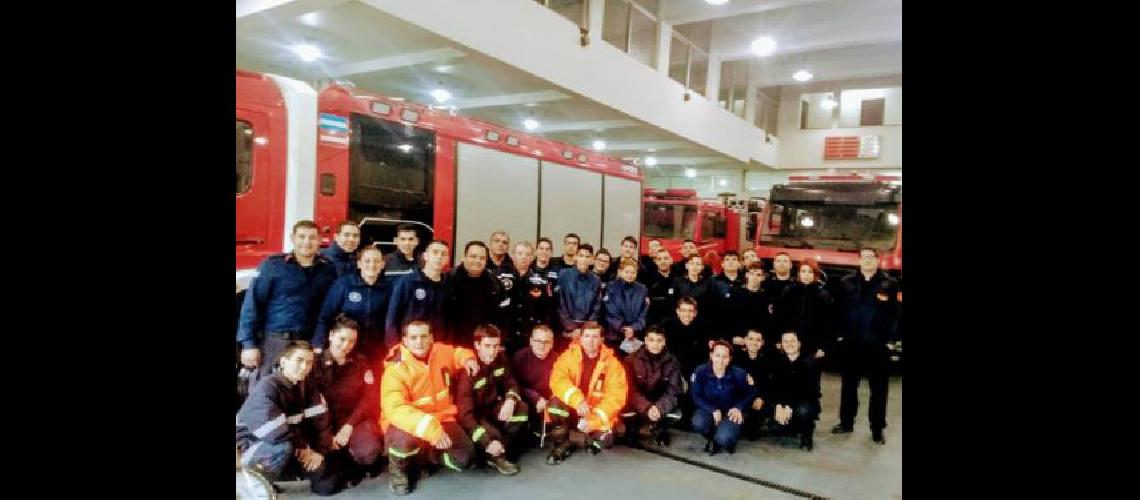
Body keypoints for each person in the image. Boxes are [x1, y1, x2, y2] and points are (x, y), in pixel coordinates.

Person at [380, 321, 481, 495]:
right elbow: (395, 408)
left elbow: (458, 353)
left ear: (431, 338)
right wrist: (429, 428)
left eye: (423, 336)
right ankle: (399, 472)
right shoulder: (396, 367)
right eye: (413, 337)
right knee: (403, 443)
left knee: (466, 458)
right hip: (406, 424)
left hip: (441, 418)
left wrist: (469, 359)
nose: (419, 342)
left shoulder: (440, 351)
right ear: (405, 340)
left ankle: (428, 457)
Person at [237, 341, 344, 496]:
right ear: (284, 362)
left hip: (291, 442)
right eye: (299, 361)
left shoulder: (306, 385)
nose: (304, 367)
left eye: (308, 363)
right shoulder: (267, 387)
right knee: (282, 448)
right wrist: (303, 448)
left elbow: (321, 423)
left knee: (326, 485)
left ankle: (275, 476)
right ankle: (248, 484)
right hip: (252, 444)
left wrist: (319, 452)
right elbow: (274, 432)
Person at [238, 220, 338, 382]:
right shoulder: (272, 266)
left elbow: (328, 309)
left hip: (308, 342)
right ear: (293, 238)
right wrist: (249, 344)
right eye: (302, 237)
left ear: (320, 241)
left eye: (312, 237)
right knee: (267, 390)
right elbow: (252, 305)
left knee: (302, 392)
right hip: (275, 342)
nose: (307, 242)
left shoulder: (328, 269)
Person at [831, 248, 900, 445]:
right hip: (852, 343)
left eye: (872, 257)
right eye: (864, 257)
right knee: (849, 386)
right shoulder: (847, 282)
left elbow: (896, 314)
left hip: (878, 344)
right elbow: (839, 311)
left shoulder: (890, 284)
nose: (868, 260)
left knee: (878, 389)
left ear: (878, 261)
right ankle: (846, 422)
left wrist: (891, 339)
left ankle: (877, 428)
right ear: (859, 260)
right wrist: (840, 336)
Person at [308, 316, 384, 482]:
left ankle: (353, 460)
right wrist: (327, 435)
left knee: (368, 452)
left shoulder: (361, 363)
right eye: (341, 339)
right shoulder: (314, 364)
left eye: (351, 341)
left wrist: (349, 425)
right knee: (325, 483)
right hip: (323, 425)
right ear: (330, 336)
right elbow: (312, 404)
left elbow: (368, 398)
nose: (346, 346)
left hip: (353, 421)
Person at [545, 322, 628, 465]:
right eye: (587, 336)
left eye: (595, 336)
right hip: (571, 409)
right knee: (554, 405)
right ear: (580, 338)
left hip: (593, 414)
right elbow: (557, 381)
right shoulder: (568, 357)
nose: (590, 341)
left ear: (602, 339)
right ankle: (563, 444)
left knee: (606, 441)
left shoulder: (613, 364)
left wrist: (593, 421)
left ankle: (576, 438)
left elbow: (616, 397)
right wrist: (576, 400)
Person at [455, 325, 528, 475]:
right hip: (474, 417)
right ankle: (495, 455)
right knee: (490, 436)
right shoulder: (468, 371)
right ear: (477, 345)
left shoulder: (500, 359)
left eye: (495, 346)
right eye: (487, 346)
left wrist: (510, 400)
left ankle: (499, 446)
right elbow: (464, 416)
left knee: (522, 408)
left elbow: (511, 383)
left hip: (493, 409)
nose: (492, 351)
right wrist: (486, 441)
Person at [313, 246, 393, 364]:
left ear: (382, 264)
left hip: (376, 350)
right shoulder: (344, 285)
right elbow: (325, 317)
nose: (372, 265)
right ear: (359, 264)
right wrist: (318, 344)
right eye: (367, 261)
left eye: (376, 261)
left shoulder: (390, 288)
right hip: (347, 347)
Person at [690, 341, 756, 455]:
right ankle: (712, 435)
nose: (720, 360)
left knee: (723, 439)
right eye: (717, 355)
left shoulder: (739, 374)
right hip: (710, 409)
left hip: (731, 411)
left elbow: (751, 393)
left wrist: (738, 407)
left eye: (725, 357)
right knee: (697, 423)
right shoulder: (700, 371)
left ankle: (725, 438)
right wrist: (712, 409)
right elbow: (696, 395)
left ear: (730, 358)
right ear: (711, 355)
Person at [621, 326, 683, 446]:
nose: (655, 344)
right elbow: (629, 389)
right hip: (639, 402)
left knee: (676, 412)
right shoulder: (631, 360)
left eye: (659, 340)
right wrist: (646, 407)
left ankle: (660, 428)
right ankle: (632, 429)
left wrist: (659, 408)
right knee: (624, 407)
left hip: (660, 401)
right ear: (645, 341)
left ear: (664, 342)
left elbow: (673, 390)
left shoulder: (673, 362)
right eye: (651, 340)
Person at [385, 240, 451, 349]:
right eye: (435, 252)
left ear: (447, 259)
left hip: (437, 349)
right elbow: (392, 318)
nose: (439, 257)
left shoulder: (448, 286)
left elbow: (449, 322)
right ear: (425, 256)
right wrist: (395, 348)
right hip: (409, 348)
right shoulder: (407, 282)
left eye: (443, 254)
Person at [447, 241, 508, 348]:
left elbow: (503, 317)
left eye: (482, 258)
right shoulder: (448, 281)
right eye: (473, 256)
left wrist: (500, 343)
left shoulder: (495, 283)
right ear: (464, 257)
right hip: (455, 345)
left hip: (485, 348)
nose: (477, 261)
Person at [769, 331, 822, 451]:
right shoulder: (777, 362)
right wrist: (778, 406)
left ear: (799, 344)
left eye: (792, 341)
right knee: (775, 428)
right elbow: (775, 388)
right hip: (784, 402)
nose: (789, 344)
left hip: (804, 402)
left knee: (803, 411)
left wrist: (789, 406)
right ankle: (792, 428)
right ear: (781, 344)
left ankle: (807, 435)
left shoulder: (811, 363)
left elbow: (810, 392)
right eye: (785, 341)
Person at [772, 259, 833, 360]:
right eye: (803, 271)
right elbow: (779, 317)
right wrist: (778, 339)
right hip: (789, 343)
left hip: (812, 345)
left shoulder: (823, 294)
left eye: (810, 272)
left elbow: (828, 323)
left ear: (815, 274)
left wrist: (824, 347)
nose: (806, 275)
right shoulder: (788, 291)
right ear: (799, 273)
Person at [504, 241, 554, 354]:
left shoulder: (542, 280)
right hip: (507, 335)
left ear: (532, 257)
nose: (523, 257)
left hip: (531, 336)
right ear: (512, 256)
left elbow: (548, 309)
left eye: (527, 254)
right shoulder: (501, 278)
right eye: (520, 253)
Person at [511, 325, 558, 439]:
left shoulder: (558, 359)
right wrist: (535, 398)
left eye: (546, 342)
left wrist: (551, 399)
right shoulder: (520, 357)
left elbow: (561, 384)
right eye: (538, 341)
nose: (542, 345)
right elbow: (513, 384)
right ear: (531, 341)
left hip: (547, 403)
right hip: (527, 400)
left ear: (551, 344)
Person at [556, 244, 602, 348]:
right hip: (566, 331)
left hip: (586, 333)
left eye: (587, 256)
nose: (584, 259)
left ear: (591, 259)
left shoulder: (596, 280)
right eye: (581, 255)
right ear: (576, 257)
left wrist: (584, 329)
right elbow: (560, 303)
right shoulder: (564, 275)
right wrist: (571, 328)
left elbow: (596, 307)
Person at [732, 330, 775, 441]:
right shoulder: (735, 359)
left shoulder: (768, 361)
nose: (754, 342)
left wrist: (761, 398)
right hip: (739, 398)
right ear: (745, 340)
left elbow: (769, 385)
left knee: (752, 433)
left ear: (762, 343)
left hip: (758, 399)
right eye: (750, 339)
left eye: (758, 340)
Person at [656, 297, 712, 378]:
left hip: (693, 369)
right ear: (677, 311)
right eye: (683, 310)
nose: (686, 314)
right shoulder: (666, 325)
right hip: (670, 368)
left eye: (690, 311)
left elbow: (703, 355)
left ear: (695, 313)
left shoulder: (702, 327)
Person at [603, 259, 648, 354]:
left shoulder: (642, 289)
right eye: (627, 272)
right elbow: (610, 311)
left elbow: (643, 312)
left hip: (635, 336)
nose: (630, 275)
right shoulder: (611, 287)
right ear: (620, 272)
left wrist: (634, 328)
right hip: (614, 335)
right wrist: (623, 329)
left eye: (633, 272)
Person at [727, 262, 773, 349]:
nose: (754, 277)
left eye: (758, 275)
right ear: (747, 275)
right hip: (738, 341)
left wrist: (763, 340)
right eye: (752, 274)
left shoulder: (767, 297)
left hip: (758, 344)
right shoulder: (735, 294)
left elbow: (769, 323)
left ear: (763, 278)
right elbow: (727, 318)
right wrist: (732, 337)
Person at [643, 248, 675, 326]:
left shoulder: (678, 278)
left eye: (666, 258)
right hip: (654, 321)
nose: (663, 261)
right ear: (655, 262)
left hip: (673, 321)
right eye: (659, 259)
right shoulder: (648, 279)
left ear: (671, 260)